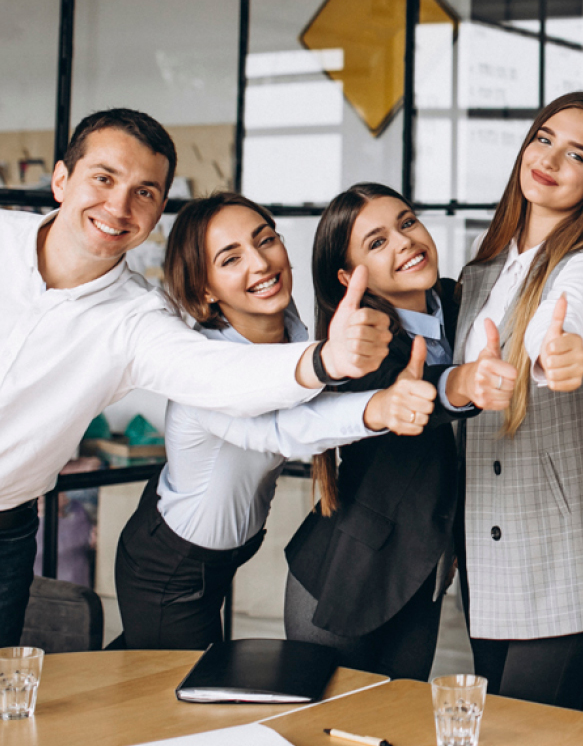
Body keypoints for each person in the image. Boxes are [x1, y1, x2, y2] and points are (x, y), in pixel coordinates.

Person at [0, 109, 389, 646]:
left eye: (144, 192)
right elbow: (274, 426)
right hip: (170, 556)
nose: (118, 206)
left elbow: (218, 375)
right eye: (104, 178)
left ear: (159, 209)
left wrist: (328, 359)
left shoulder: (139, 319)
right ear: (62, 180)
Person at [114, 192, 437, 650]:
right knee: (176, 700)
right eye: (231, 259)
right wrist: (379, 407)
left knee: (160, 676)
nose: (261, 264)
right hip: (171, 566)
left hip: (221, 556)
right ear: (205, 288)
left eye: (265, 240)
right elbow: (283, 429)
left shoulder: (289, 327)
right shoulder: (203, 371)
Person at [284, 183, 516, 680]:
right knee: (327, 730)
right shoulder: (361, 346)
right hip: (348, 571)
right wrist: (461, 383)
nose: (404, 242)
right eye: (376, 242)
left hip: (423, 570)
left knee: (397, 726)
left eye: (406, 223)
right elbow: (422, 393)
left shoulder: (461, 307)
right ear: (350, 277)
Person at [457, 91, 583, 710]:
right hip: (487, 544)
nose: (551, 159)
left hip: (563, 549)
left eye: (577, 154)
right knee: (493, 721)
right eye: (544, 139)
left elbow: (574, 309)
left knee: (528, 731)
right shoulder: (480, 272)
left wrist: (557, 347)